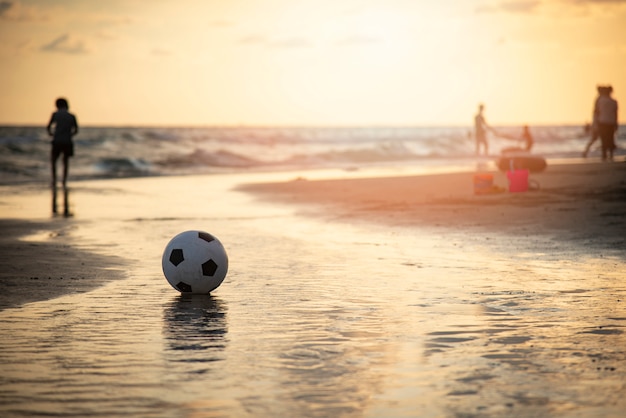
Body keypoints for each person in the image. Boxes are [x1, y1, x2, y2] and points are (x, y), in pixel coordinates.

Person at [47, 97, 78, 215]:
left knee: (54, 161)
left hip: (57, 140)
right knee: (65, 162)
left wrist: (52, 134)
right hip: (67, 141)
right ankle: (64, 180)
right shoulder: (71, 116)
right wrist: (69, 135)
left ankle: (54, 179)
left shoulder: (55, 114)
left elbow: (48, 127)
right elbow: (76, 130)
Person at [593, 85, 618, 161]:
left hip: (602, 122)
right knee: (610, 138)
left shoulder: (600, 100)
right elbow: (616, 113)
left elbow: (596, 112)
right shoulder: (614, 101)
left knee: (604, 139)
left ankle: (604, 155)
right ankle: (611, 155)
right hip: (611, 122)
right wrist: (616, 123)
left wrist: (595, 123)